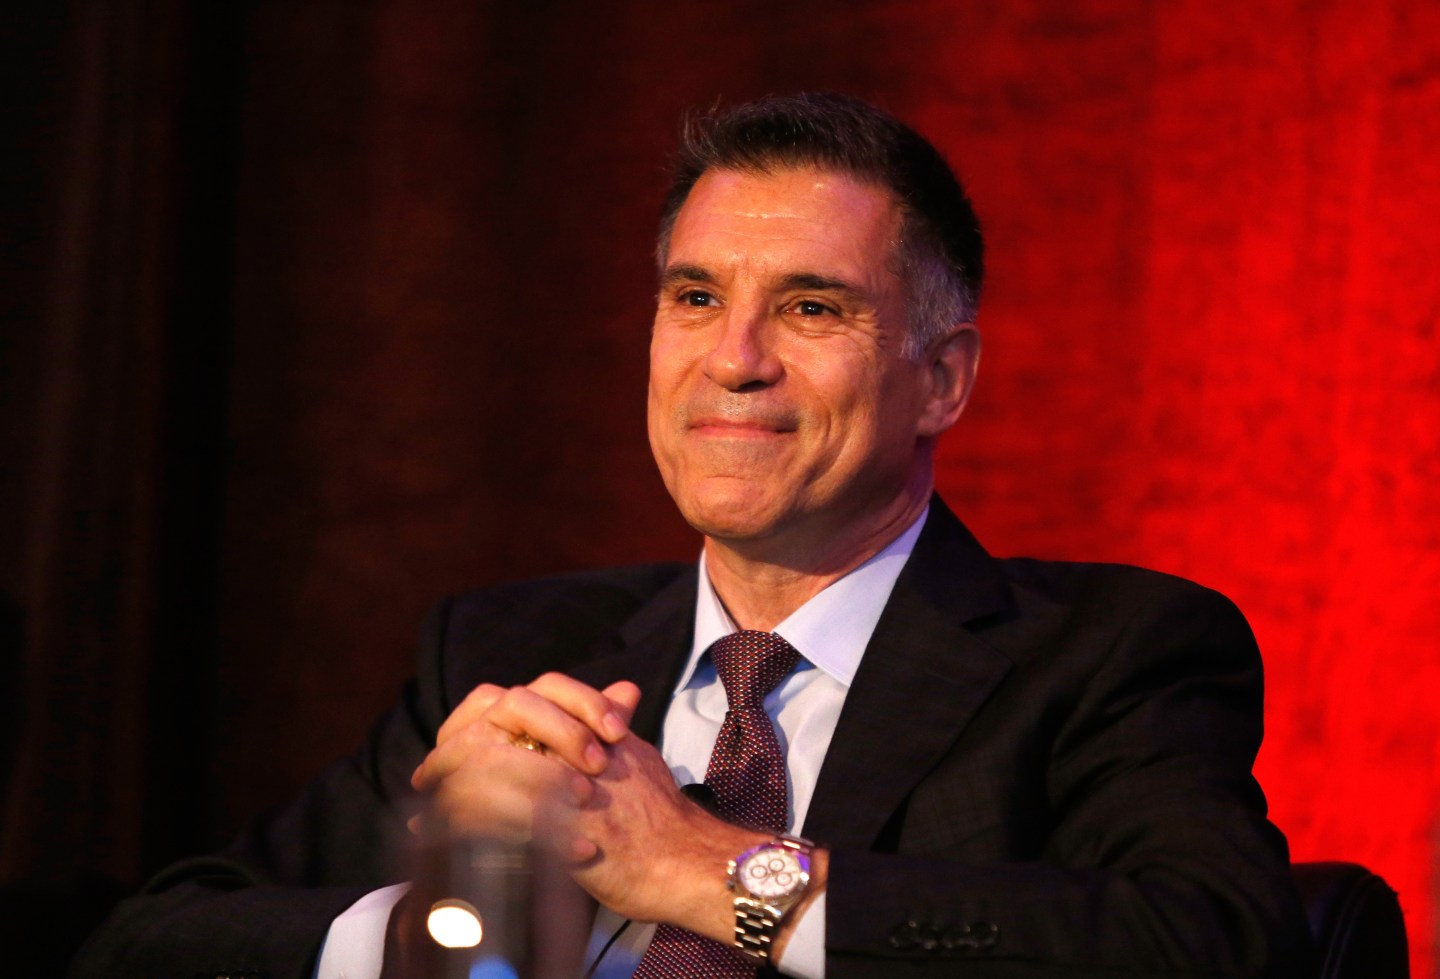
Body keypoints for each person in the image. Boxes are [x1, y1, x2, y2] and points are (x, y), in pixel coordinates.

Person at [71, 93, 1313, 978]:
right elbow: (150, 941)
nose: (734, 359)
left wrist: (705, 871)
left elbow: (1210, 942)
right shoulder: (509, 651)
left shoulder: (1106, 654)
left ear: (941, 380)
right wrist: (432, 925)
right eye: (696, 297)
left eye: (811, 307)